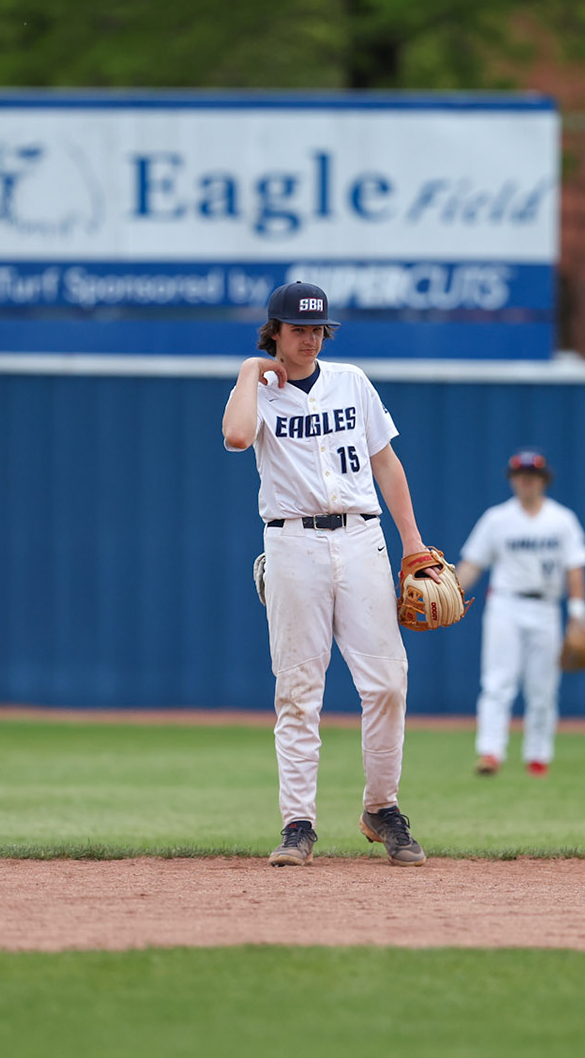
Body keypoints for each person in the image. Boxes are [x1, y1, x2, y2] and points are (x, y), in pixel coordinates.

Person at [221, 281, 438, 867]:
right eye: (299, 329)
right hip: (293, 544)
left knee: (388, 682)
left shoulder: (351, 381)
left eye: (318, 329)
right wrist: (248, 373)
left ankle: (382, 808)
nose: (311, 338)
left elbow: (385, 461)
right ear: (275, 334)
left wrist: (412, 542)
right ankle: (298, 824)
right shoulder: (259, 391)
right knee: (298, 691)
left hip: (362, 536)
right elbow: (237, 437)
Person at [455, 449, 585, 778]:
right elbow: (473, 564)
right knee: (497, 682)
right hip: (505, 604)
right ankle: (490, 753)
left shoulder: (561, 520)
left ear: (543, 480)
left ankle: (538, 757)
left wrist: (578, 612)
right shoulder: (497, 519)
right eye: (521, 476)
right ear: (513, 480)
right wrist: (452, 595)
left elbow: (575, 569)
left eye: (533, 476)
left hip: (546, 607)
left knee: (542, 687)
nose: (526, 481)